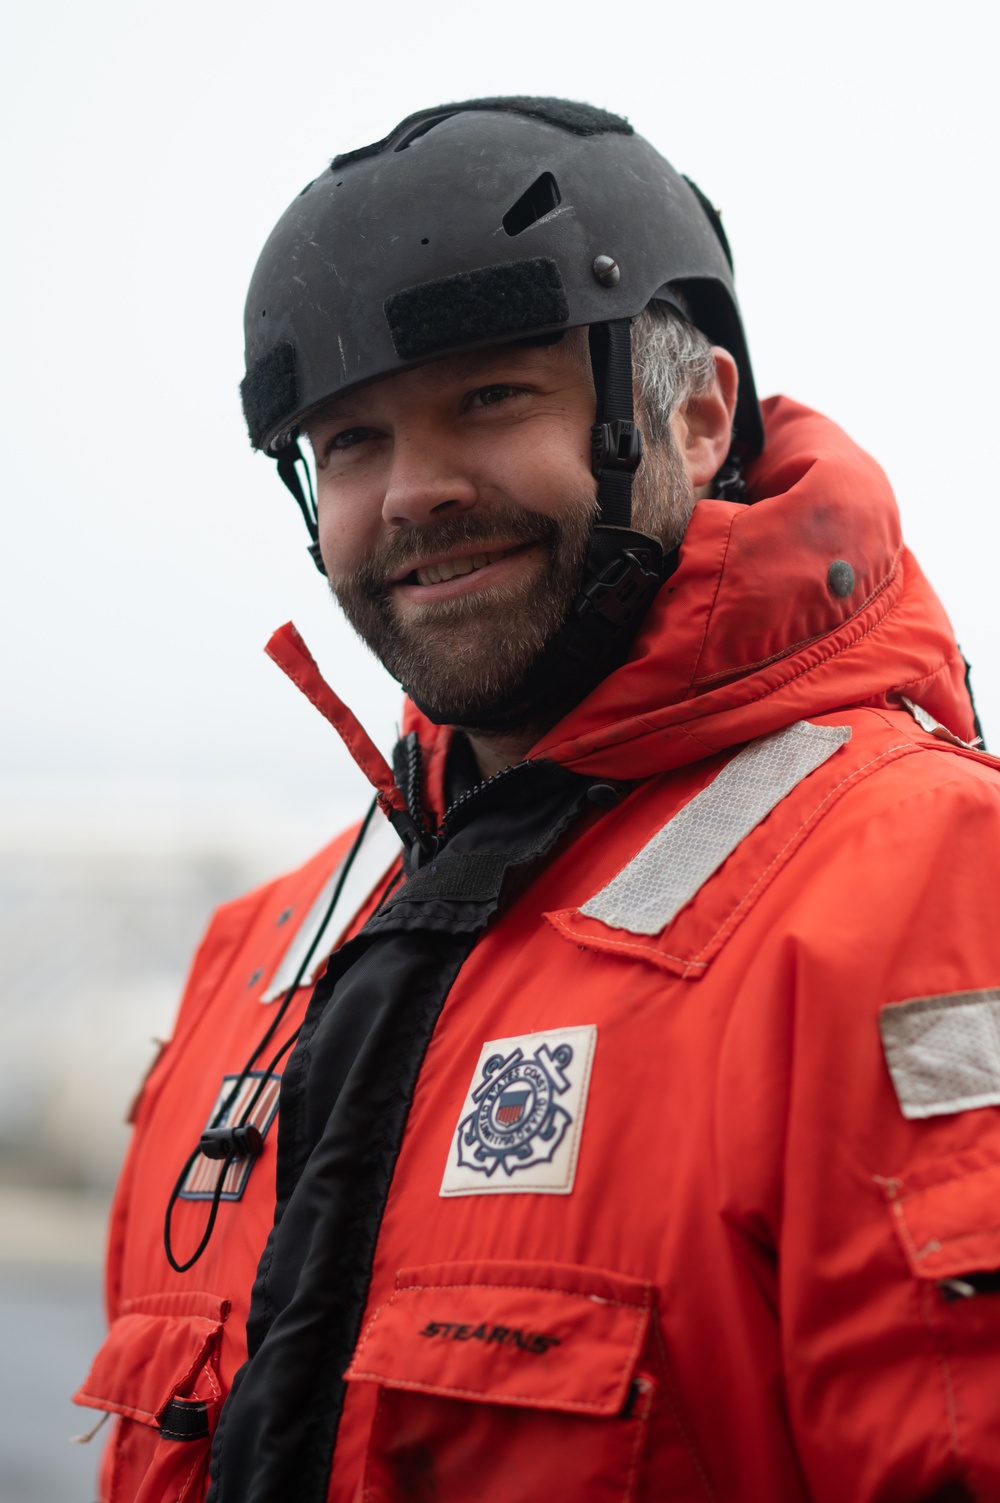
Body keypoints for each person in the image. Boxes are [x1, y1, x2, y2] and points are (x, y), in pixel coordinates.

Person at [75, 97, 1000, 1503]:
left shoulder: (932, 891)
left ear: (695, 420)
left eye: (490, 399)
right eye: (351, 445)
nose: (412, 494)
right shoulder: (258, 964)